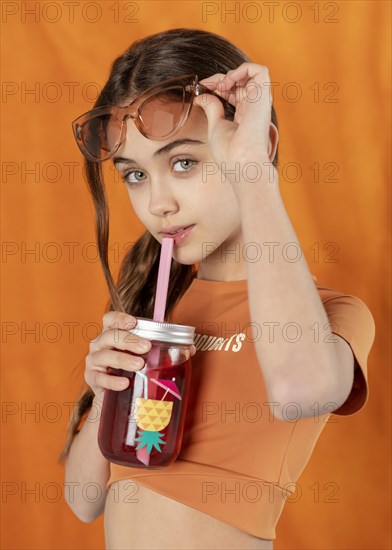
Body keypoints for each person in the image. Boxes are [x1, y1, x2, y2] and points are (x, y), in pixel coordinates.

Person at [59, 28, 376, 549]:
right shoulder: (153, 313)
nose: (157, 202)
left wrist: (252, 173)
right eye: (135, 175)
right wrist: (104, 393)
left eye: (183, 163)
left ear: (256, 147)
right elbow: (84, 500)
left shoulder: (330, 318)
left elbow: (301, 392)